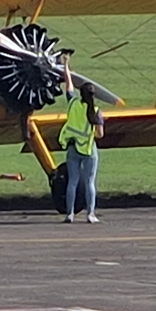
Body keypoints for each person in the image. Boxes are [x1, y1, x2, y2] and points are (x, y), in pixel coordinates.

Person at [57, 52, 104, 224]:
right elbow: (100, 134)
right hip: (89, 149)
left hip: (72, 148)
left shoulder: (73, 104)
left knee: (73, 182)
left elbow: (68, 87)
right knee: (90, 182)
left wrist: (66, 66)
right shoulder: (97, 112)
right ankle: (90, 214)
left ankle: (69, 214)